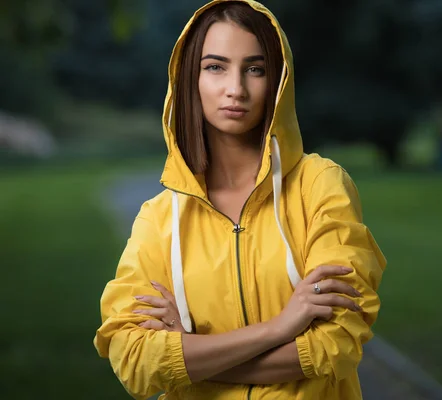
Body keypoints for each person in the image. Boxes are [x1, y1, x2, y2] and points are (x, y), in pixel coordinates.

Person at [93, 1, 386, 399]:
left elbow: (335, 346)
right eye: (215, 67)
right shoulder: (158, 219)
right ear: (190, 79)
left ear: (278, 81)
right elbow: (135, 362)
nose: (236, 88)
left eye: (255, 69)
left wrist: (190, 358)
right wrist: (279, 329)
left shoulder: (320, 186)